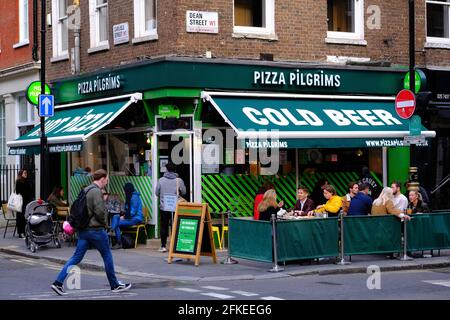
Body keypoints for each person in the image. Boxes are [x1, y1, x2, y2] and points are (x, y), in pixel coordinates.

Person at [51, 169, 131, 296]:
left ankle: (58, 283)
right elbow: (99, 212)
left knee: (76, 258)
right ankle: (114, 285)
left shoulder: (86, 189)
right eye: (107, 179)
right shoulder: (96, 192)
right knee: (107, 255)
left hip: (83, 231)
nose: (107, 182)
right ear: (103, 178)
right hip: (96, 231)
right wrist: (105, 224)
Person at [155, 162, 186, 253]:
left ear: (166, 169)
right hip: (175, 207)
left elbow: (156, 193)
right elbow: (184, 192)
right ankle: (175, 246)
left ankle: (163, 246)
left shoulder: (161, 180)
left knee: (164, 226)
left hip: (164, 207)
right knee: (175, 225)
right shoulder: (178, 180)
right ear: (175, 170)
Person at [110, 183, 144, 249]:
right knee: (116, 216)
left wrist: (124, 217)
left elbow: (133, 212)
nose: (124, 191)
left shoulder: (134, 197)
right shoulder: (129, 196)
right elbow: (127, 208)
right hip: (130, 217)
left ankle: (118, 241)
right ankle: (112, 231)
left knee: (117, 223)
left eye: (124, 190)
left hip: (136, 218)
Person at [15, 169, 33, 238]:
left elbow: (30, 190)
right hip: (21, 202)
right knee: (20, 217)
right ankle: (20, 232)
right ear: (21, 174)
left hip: (27, 201)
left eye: (26, 173)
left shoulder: (27, 181)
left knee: (26, 216)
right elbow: (18, 192)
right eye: (24, 173)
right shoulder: (19, 182)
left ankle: (26, 231)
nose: (26, 174)